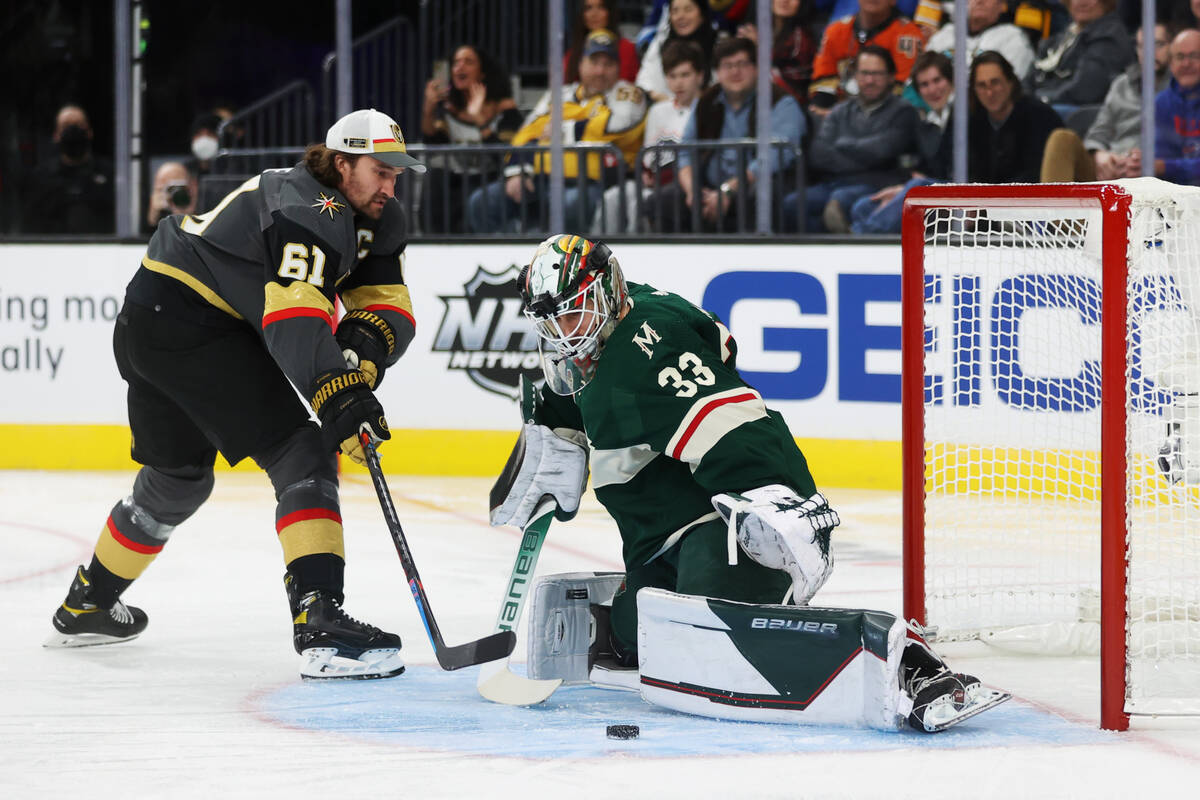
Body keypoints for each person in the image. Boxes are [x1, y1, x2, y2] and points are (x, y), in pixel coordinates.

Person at [490, 233, 1008, 732]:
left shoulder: (641, 360)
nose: (562, 332)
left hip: (727, 526)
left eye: (573, 311)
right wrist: (558, 427)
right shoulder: (622, 318)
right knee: (634, 637)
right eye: (550, 319)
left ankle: (907, 667)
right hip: (658, 535)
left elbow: (727, 416)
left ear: (604, 293)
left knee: (715, 638)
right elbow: (717, 338)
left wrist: (773, 495)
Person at [45, 109, 425, 682]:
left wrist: (364, 350)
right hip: (195, 323)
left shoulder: (374, 214)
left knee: (177, 480)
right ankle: (319, 624)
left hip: (149, 315)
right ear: (342, 163)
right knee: (304, 453)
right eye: (381, 170)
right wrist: (339, 396)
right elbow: (293, 319)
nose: (392, 185)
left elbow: (387, 301)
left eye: (398, 171)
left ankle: (87, 603)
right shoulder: (309, 209)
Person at [467, 30, 648, 234]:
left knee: (568, 205)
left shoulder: (627, 93)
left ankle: (558, 258)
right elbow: (527, 134)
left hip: (592, 183)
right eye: (594, 62)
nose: (600, 71)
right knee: (481, 203)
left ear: (618, 68)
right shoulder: (559, 94)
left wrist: (562, 130)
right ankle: (518, 256)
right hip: (539, 178)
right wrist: (517, 170)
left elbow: (618, 125)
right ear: (580, 65)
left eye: (608, 64)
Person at [646, 36, 804, 232]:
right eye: (727, 65)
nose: (735, 71)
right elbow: (685, 151)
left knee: (762, 196)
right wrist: (692, 190)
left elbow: (774, 156)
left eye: (742, 64)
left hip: (754, 185)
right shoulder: (707, 101)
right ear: (718, 72)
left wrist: (728, 191)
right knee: (661, 202)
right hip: (709, 188)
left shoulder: (780, 102)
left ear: (756, 68)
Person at [785, 45, 918, 233]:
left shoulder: (903, 111)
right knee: (793, 203)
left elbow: (883, 150)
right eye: (864, 73)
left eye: (877, 74)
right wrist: (863, 154)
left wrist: (842, 144)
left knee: (841, 200)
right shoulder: (840, 111)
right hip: (834, 182)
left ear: (890, 77)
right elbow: (819, 154)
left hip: (877, 183)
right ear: (855, 76)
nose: (870, 80)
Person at [592, 40, 707, 234]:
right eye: (672, 76)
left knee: (640, 203)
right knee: (612, 196)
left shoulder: (707, 110)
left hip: (683, 185)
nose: (678, 82)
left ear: (700, 76)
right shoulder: (657, 111)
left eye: (685, 75)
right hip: (654, 181)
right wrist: (645, 173)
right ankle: (597, 257)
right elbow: (647, 156)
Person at [1040, 22, 1172, 181]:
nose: (1149, 52)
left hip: (1156, 171)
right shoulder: (1122, 84)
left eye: (1158, 44)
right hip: (1111, 167)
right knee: (1061, 138)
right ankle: (1055, 205)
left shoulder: (1182, 86)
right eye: (1142, 46)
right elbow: (1099, 132)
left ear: (1173, 47)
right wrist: (1099, 154)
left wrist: (1151, 161)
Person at [420, 44, 522, 233]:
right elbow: (432, 143)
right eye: (456, 63)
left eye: (468, 62)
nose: (460, 67)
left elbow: (505, 156)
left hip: (490, 178)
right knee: (435, 178)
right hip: (456, 181)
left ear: (482, 72)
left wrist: (480, 120)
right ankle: (431, 239)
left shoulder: (505, 108)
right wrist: (428, 109)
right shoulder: (449, 109)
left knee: (474, 192)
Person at [849, 50, 954, 234]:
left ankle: (862, 240)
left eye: (937, 80)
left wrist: (914, 188)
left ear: (951, 81)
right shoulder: (928, 123)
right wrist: (901, 190)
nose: (933, 90)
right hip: (933, 190)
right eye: (925, 84)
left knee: (916, 189)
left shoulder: (966, 116)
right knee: (863, 206)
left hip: (962, 195)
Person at [808, 0, 926, 115]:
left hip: (887, 115)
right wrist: (828, 111)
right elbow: (822, 81)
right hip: (837, 112)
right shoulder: (835, 31)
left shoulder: (908, 36)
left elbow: (904, 90)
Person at [969, 50, 1063, 182]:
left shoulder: (1040, 117)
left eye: (995, 83)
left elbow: (1037, 175)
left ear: (1010, 82)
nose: (989, 93)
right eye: (982, 85)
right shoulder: (973, 122)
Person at [1028, 0, 1135, 114]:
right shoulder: (1063, 36)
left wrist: (1039, 101)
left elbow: (1083, 91)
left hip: (1076, 117)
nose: (1082, 2)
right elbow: (1029, 78)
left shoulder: (1109, 37)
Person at [21, 104, 114, 235]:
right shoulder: (41, 178)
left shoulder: (110, 174)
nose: (73, 130)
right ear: (56, 135)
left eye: (78, 124)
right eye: (66, 126)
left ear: (89, 132)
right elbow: (30, 226)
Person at [1142, 28, 1200, 184]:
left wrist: (1167, 167)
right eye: (1180, 57)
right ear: (1171, 63)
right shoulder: (1161, 103)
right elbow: (1159, 158)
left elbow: (1163, 165)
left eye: (1194, 56)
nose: (1186, 63)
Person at [923, 0, 1036, 80]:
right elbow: (921, 79)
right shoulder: (943, 36)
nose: (979, 1)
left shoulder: (1013, 39)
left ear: (1001, 4)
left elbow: (1012, 87)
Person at [735, 0, 821, 104]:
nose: (784, 1)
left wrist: (759, 48)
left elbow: (789, 90)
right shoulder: (757, 29)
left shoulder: (801, 40)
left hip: (789, 105)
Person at [636, 0, 720, 102]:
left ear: (702, 13)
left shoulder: (718, 45)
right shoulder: (660, 43)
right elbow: (646, 83)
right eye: (675, 11)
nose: (681, 16)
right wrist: (671, 104)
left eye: (688, 10)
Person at [564, 0, 641, 84]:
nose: (594, 14)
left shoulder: (627, 49)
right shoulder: (572, 54)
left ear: (610, 12)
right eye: (588, 8)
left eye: (601, 7)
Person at [145, 161, 198, 234]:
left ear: (193, 186)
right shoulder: (153, 214)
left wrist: (191, 215)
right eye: (168, 189)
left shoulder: (207, 210)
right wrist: (153, 217)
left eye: (179, 187)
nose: (174, 194)